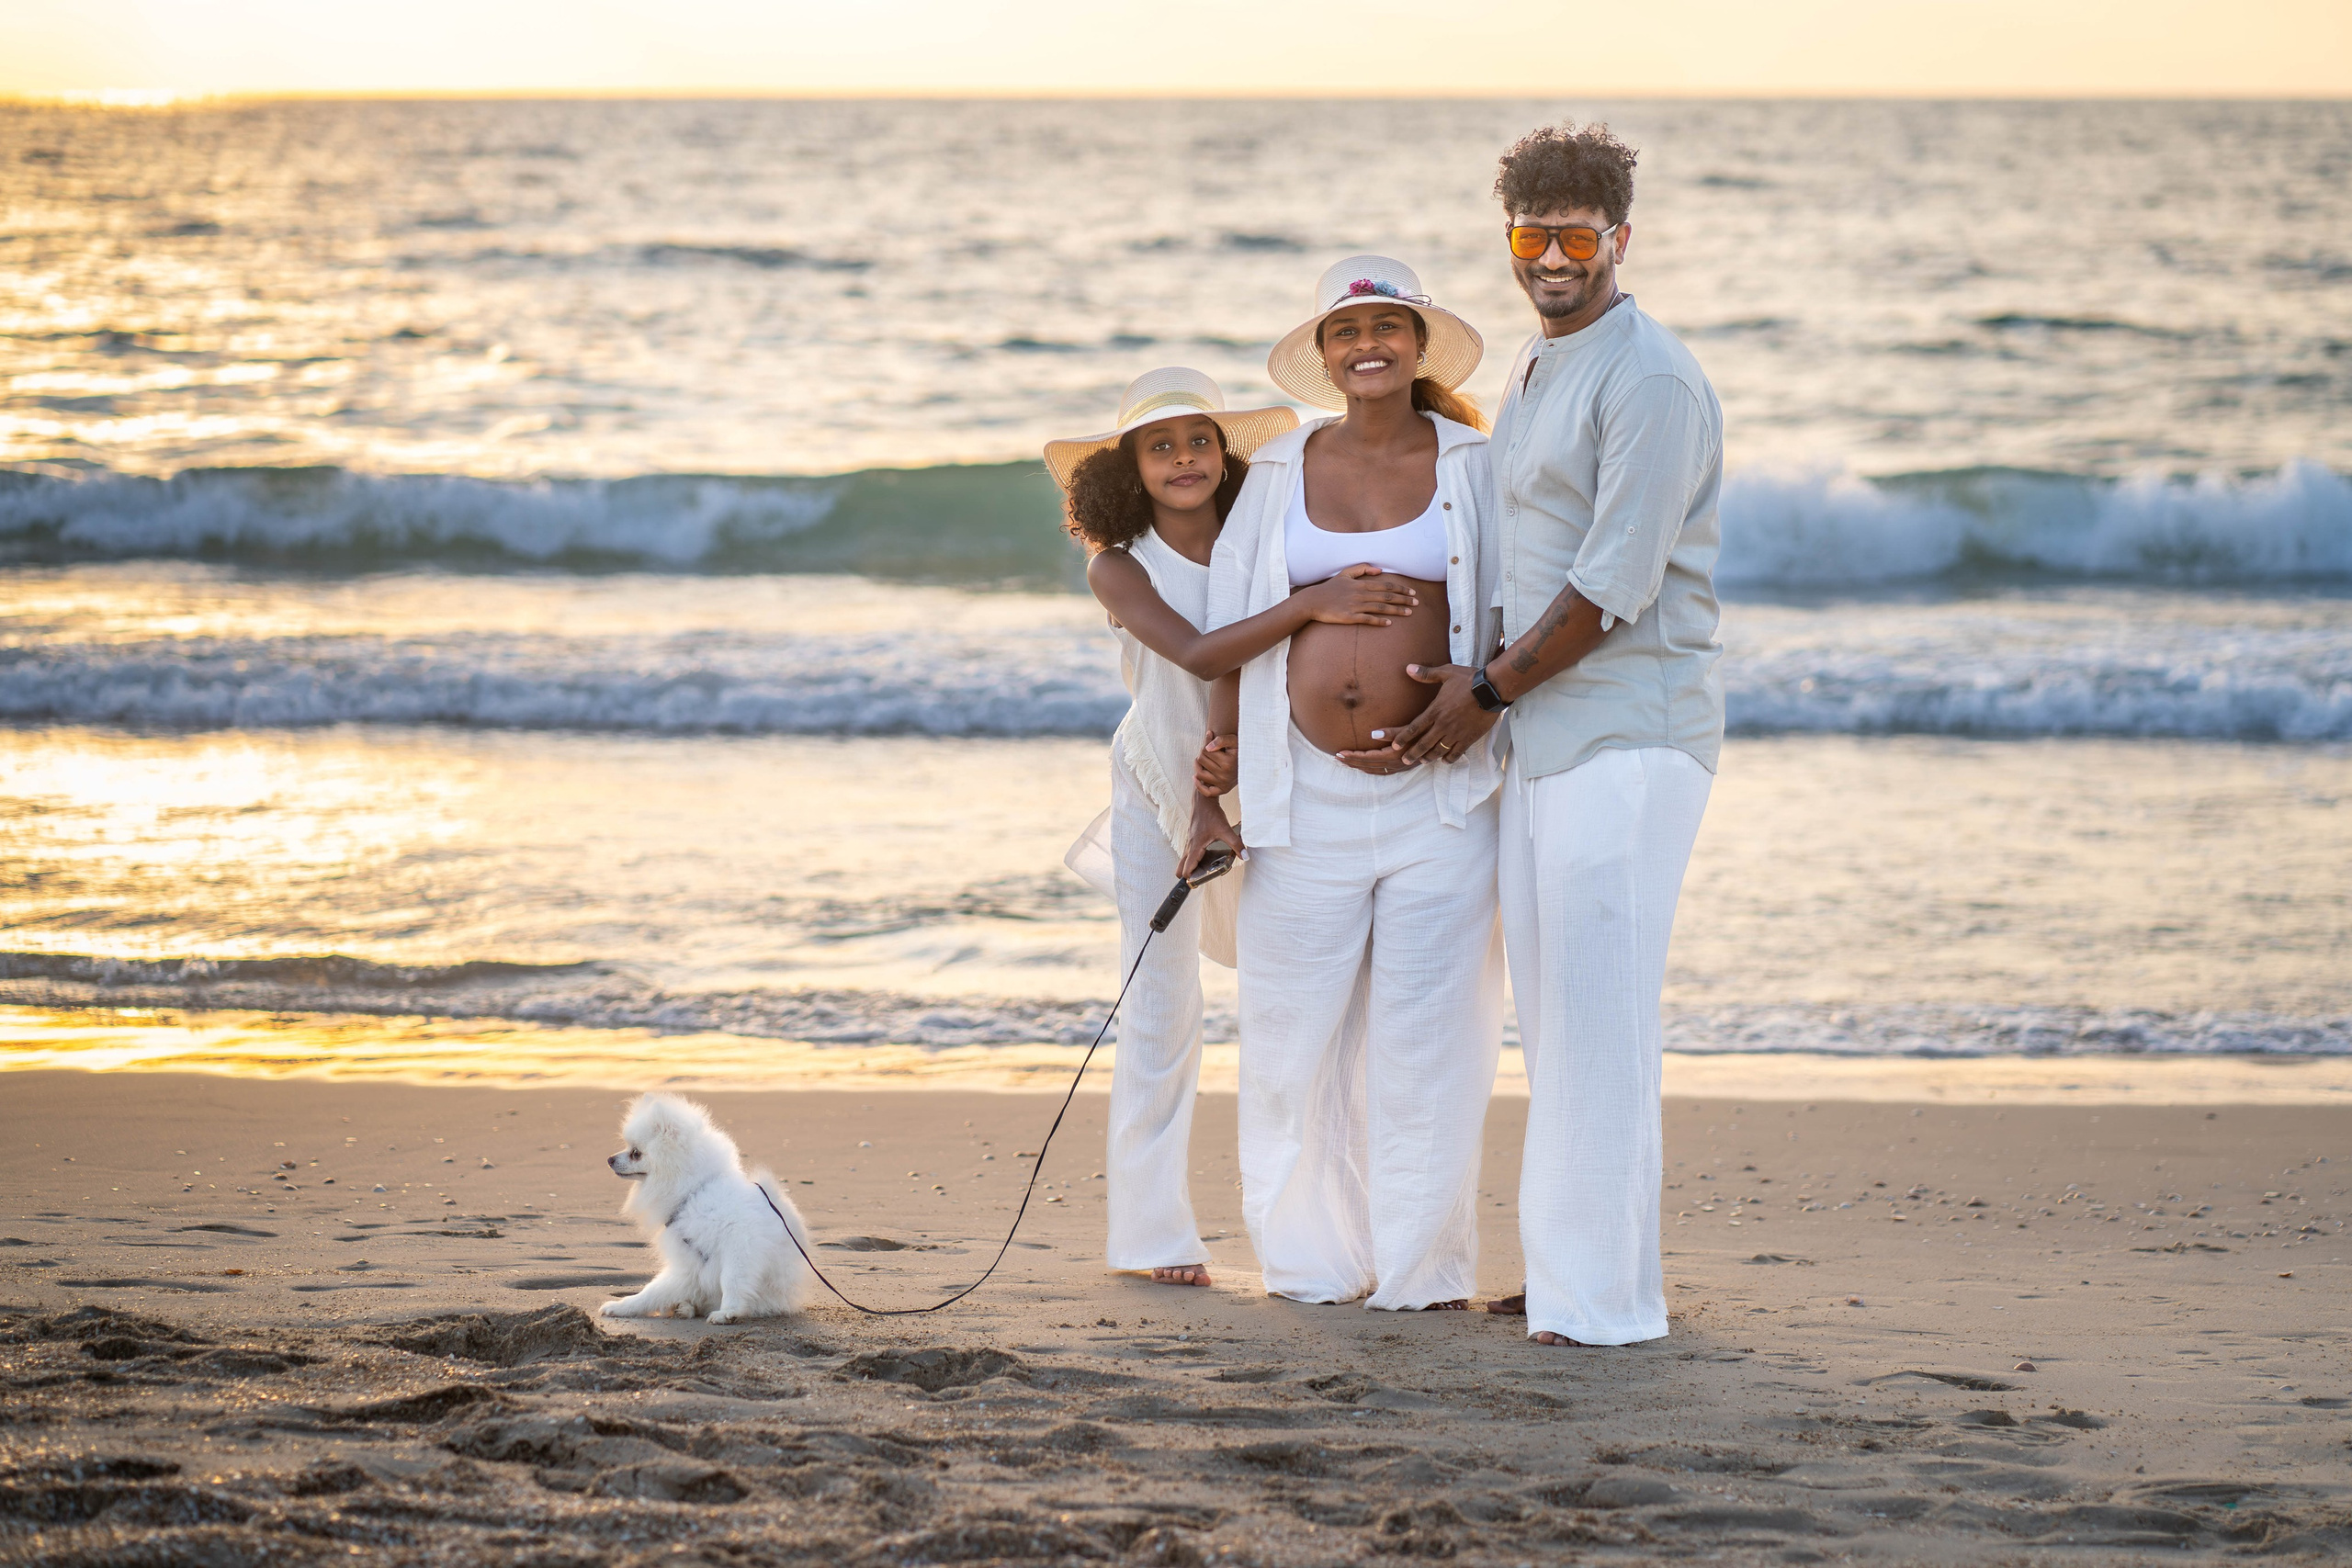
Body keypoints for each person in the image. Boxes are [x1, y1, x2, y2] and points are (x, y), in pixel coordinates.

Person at [1378, 125, 1725, 1347]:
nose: (1555, 257)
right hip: (1543, 738)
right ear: (1511, 239)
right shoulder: (1535, 364)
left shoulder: (1653, 379)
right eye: (1534, 235)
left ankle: (1605, 1305)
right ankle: (1582, 1270)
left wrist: (1484, 692)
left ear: (1621, 239)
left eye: (1580, 235)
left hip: (1629, 738)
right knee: (1566, 1018)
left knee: (1602, 1016)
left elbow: (1609, 586)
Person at [1047, 367, 1424, 1289]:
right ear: (1130, 467)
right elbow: (1204, 648)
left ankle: (1329, 1228)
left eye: (1200, 440)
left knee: (1296, 1002)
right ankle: (1150, 1237)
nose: (1185, 459)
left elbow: (1251, 667)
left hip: (1263, 780)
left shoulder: (1262, 533)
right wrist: (1310, 602)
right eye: (1161, 445)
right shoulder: (1119, 562)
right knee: (1160, 1009)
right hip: (1153, 783)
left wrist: (1224, 782)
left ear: (1225, 453)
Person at [1200, 257, 1507, 1312]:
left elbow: (1524, 607)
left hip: (1443, 797)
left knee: (1428, 1049)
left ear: (1418, 346)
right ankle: (1309, 1265)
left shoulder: (1477, 464)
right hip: (1302, 801)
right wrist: (1213, 788)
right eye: (1345, 331)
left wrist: (1477, 692)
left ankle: (1420, 1274)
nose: (1365, 344)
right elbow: (1229, 629)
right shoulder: (1280, 471)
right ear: (1323, 356)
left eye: (1387, 325)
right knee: (1289, 1045)